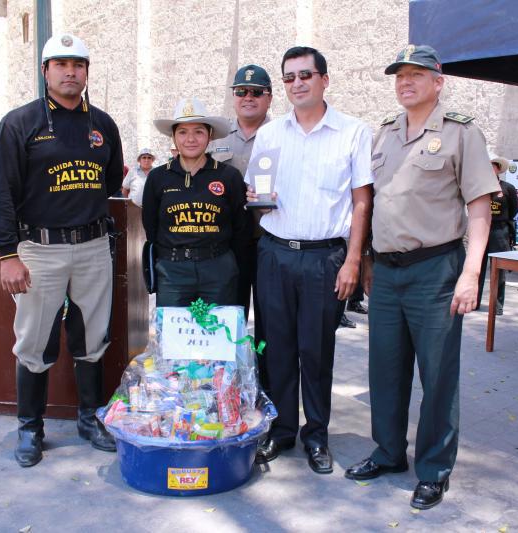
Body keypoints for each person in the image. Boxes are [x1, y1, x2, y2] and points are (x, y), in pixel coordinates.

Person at [344, 44, 498, 510]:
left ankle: (433, 469)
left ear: (438, 81)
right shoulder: (384, 135)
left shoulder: (461, 133)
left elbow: (479, 208)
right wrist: (366, 259)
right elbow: (371, 203)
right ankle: (389, 452)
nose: (405, 82)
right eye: (399, 75)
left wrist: (471, 274)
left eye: (416, 74)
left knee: (437, 376)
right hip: (387, 272)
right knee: (385, 370)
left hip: (437, 270)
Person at [0, 33, 124, 467]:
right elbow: (1, 193)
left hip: (91, 245)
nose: (70, 72)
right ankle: (31, 428)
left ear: (87, 72)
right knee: (34, 341)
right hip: (39, 250)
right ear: (45, 71)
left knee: (92, 337)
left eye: (78, 64)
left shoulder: (102, 124)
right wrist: (7, 254)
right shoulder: (19, 123)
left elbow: (109, 186)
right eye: (61, 64)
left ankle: (88, 418)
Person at [245, 46, 372, 474]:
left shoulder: (353, 132)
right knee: (274, 349)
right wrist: (257, 202)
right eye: (289, 77)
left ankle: (316, 435)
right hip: (276, 254)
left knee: (316, 351)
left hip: (325, 259)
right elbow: (256, 196)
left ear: (324, 80)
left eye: (306, 75)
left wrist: (353, 260)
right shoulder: (270, 134)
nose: (297, 83)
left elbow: (361, 201)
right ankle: (280, 431)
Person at [144, 97, 247, 307]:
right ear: (173, 136)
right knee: (175, 337)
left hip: (218, 269)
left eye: (198, 131)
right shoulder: (157, 177)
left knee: (217, 335)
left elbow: (240, 229)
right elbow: (151, 226)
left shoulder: (229, 176)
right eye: (182, 132)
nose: (190, 139)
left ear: (209, 135)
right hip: (172, 271)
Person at [208, 64, 272, 386]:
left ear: (269, 98)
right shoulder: (216, 139)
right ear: (234, 97)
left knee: (270, 325)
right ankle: (227, 389)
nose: (249, 97)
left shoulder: (283, 136)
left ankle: (263, 390)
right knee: (227, 319)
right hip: (229, 246)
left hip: (270, 244)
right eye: (241, 91)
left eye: (257, 92)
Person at [476, 152, 518, 315]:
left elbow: (514, 210)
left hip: (499, 230)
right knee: (477, 267)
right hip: (481, 228)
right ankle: (474, 301)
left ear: (499, 169)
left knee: (498, 269)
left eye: (493, 165)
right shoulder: (479, 186)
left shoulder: (508, 188)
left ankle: (497, 304)